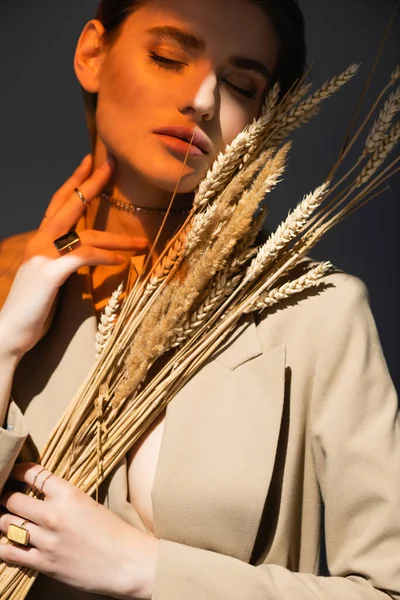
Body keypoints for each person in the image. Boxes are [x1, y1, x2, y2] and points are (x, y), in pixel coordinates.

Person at [0, 0, 399, 599]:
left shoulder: (317, 312)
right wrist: (4, 346)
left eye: (240, 84)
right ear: (91, 55)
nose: (204, 98)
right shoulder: (10, 285)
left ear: (265, 115)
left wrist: (147, 571)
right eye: (168, 57)